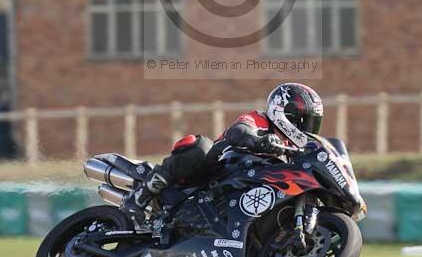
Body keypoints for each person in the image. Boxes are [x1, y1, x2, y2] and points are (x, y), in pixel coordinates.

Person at [129, 83, 324, 212]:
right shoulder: (260, 119)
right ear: (285, 113)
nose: (307, 129)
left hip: (233, 199)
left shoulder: (292, 150)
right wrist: (262, 141)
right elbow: (239, 131)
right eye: (304, 121)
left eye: (312, 124)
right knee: (201, 146)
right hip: (209, 175)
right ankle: (139, 198)